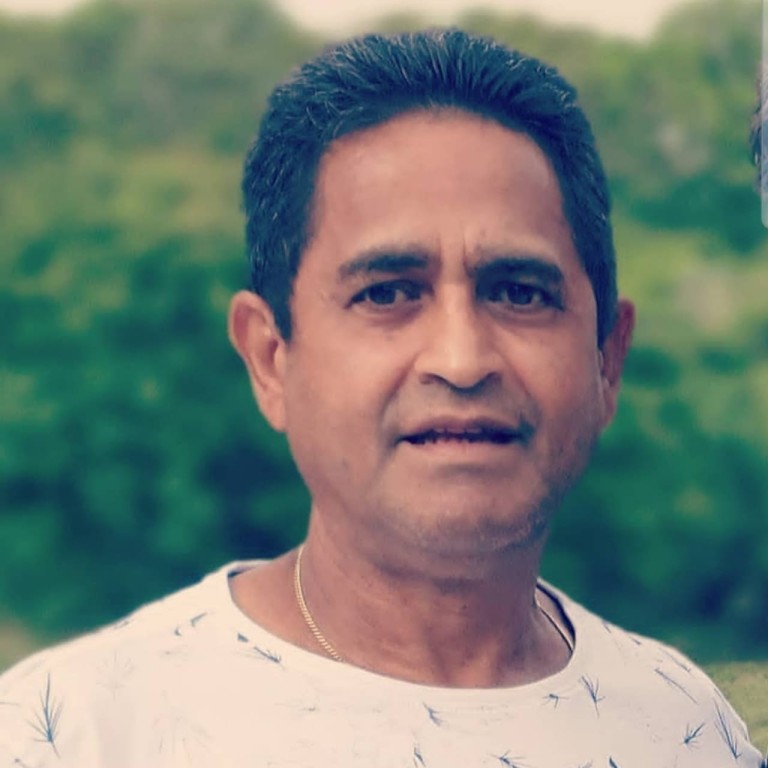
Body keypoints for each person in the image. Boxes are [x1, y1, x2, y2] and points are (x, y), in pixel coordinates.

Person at [0, 27, 762, 768]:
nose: (461, 360)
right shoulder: (71, 733)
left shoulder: (686, 732)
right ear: (270, 359)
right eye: (388, 293)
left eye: (519, 292)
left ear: (606, 360)